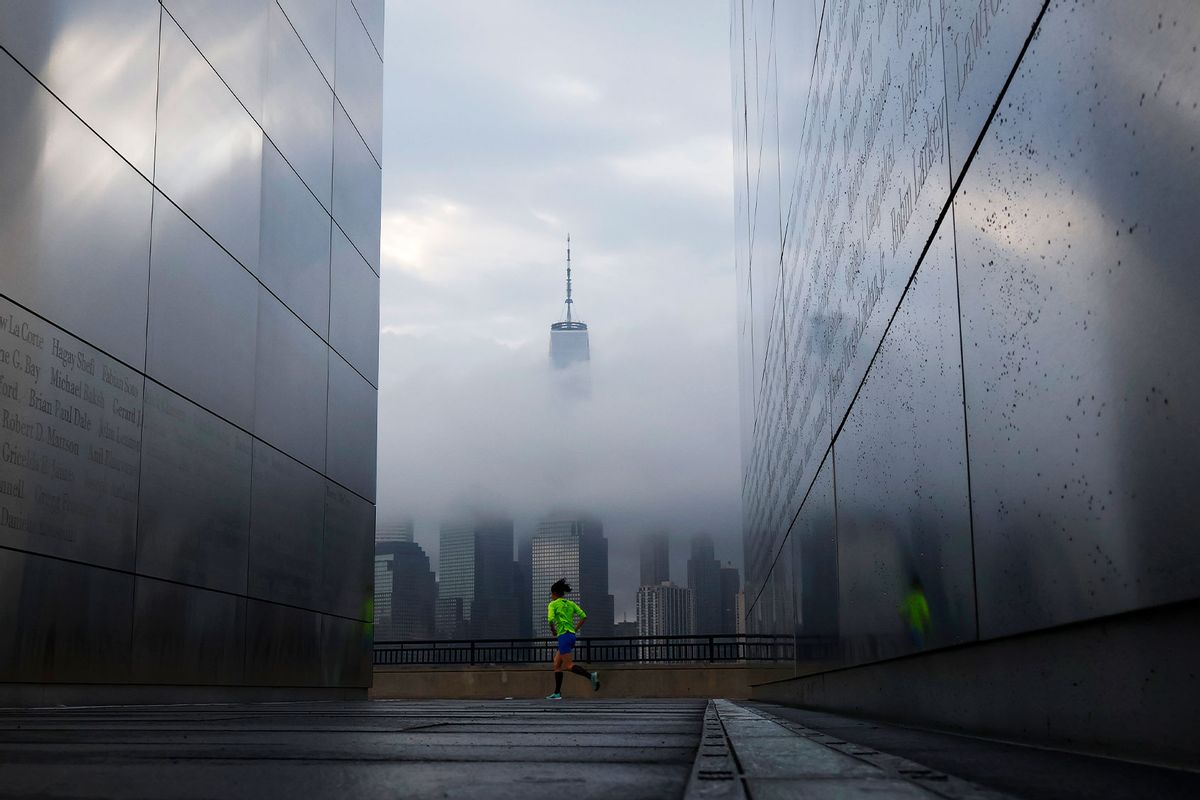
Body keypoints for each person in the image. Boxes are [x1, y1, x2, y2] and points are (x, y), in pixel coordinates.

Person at [545, 579, 600, 700]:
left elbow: (550, 619)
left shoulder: (553, 604)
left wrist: (553, 630)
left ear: (554, 593)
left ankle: (591, 676)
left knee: (569, 665)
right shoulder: (571, 604)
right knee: (557, 663)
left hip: (563, 636)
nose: (551, 596)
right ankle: (557, 693)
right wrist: (575, 629)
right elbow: (584, 616)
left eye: (551, 594)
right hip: (571, 636)